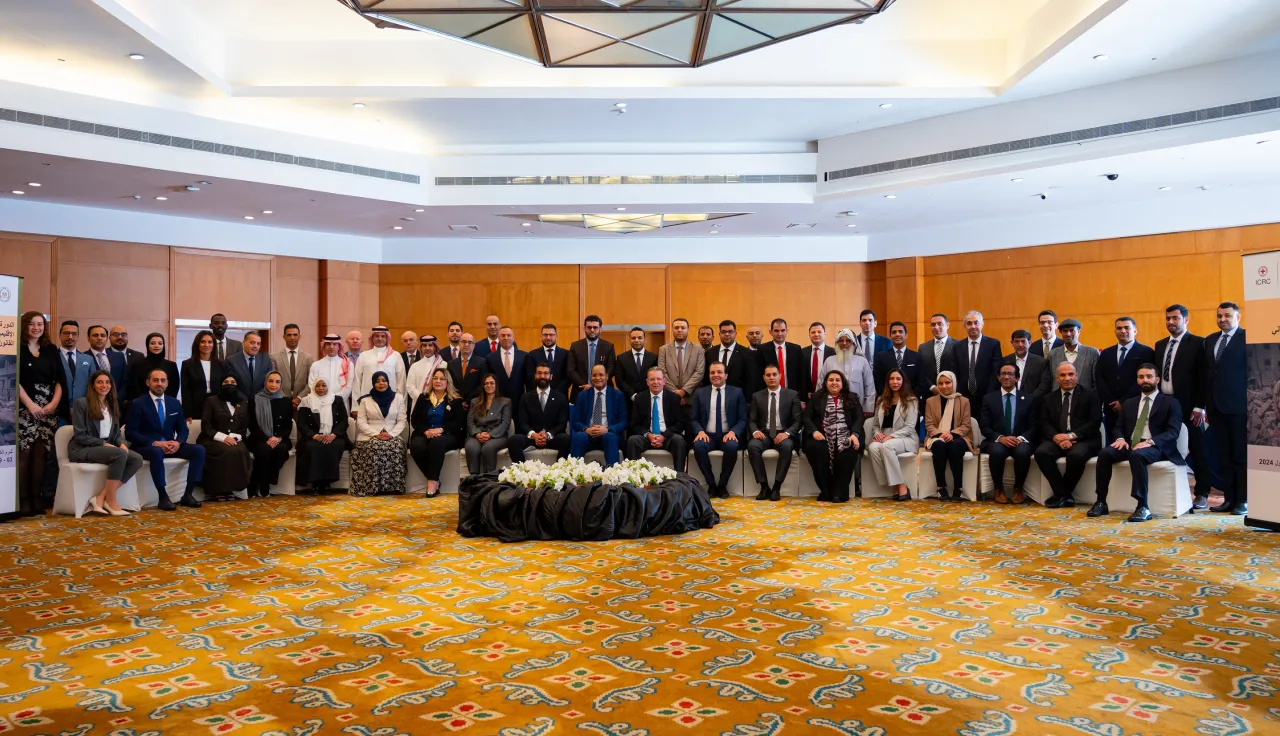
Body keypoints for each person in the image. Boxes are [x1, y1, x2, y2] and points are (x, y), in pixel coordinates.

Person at [1091, 364, 1185, 521]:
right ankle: (1101, 501)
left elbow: (1173, 432)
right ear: (1137, 380)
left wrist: (1150, 441)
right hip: (1131, 444)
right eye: (1141, 377)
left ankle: (1143, 506)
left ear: (1157, 379)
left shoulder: (1171, 403)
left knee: (1137, 455)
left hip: (1157, 447)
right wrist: (1120, 439)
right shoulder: (1129, 403)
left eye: (1149, 376)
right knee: (1105, 453)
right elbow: (1118, 427)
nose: (1145, 380)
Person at [1154, 304, 1213, 510]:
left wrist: (1199, 406)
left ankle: (1202, 492)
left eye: (1175, 318)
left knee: (1198, 448)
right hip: (1165, 403)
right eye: (1168, 318)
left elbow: (1204, 378)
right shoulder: (1160, 345)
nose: (1171, 322)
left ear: (1186, 320)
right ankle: (1165, 490)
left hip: (1190, 405)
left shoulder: (1198, 343)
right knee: (1162, 444)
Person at [125, 367, 205, 510]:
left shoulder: (174, 403)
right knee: (156, 452)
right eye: (155, 380)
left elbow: (183, 429)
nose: (159, 384)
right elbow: (130, 433)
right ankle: (162, 496)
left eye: (162, 380)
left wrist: (178, 443)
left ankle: (188, 495)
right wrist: (155, 443)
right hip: (147, 446)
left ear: (167, 383)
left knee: (199, 450)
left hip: (170, 445)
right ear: (148, 382)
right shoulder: (137, 404)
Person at [68, 370, 144, 516]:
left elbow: (115, 434)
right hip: (83, 448)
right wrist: (104, 444)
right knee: (119, 454)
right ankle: (112, 501)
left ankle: (101, 496)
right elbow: (80, 435)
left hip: (106, 447)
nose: (104, 385)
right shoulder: (82, 403)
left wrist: (120, 443)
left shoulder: (112, 404)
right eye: (100, 382)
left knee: (136, 459)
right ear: (93, 385)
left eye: (108, 382)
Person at [1035, 362, 1103, 508]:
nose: (1067, 378)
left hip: (1085, 439)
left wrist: (1071, 436)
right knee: (1041, 453)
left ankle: (1062, 495)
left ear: (1076, 376)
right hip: (1057, 438)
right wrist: (1057, 438)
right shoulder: (1048, 398)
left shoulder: (1091, 395)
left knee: (1076, 456)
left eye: (1071, 374)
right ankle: (1064, 494)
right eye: (1063, 375)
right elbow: (1043, 423)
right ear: (1057, 379)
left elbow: (1094, 422)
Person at [1205, 302, 1247, 515]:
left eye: (1227, 315)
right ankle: (1228, 499)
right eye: (1219, 315)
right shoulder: (1211, 340)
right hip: (1216, 408)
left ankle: (1242, 500)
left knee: (1240, 456)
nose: (1222, 319)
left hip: (1240, 408)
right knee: (1223, 456)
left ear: (1238, 317)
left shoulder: (1247, 338)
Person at [802, 370, 865, 503]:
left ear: (843, 383)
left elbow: (859, 418)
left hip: (847, 435)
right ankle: (826, 491)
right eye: (831, 380)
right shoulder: (817, 397)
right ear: (826, 382)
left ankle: (838, 493)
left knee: (848, 452)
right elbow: (807, 418)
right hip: (821, 435)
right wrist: (814, 432)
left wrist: (854, 434)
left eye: (837, 380)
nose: (834, 383)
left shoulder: (852, 397)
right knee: (817, 451)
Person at [978, 363, 1036, 504]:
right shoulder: (989, 399)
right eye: (1003, 374)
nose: (1006, 377)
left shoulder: (1029, 399)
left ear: (1017, 379)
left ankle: (1018, 489)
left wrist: (1021, 438)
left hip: (1020, 440)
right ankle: (999, 489)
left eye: (1010, 374)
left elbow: (1035, 425)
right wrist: (1000, 438)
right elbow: (984, 426)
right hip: (998, 440)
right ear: (998, 377)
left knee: (1023, 452)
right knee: (997, 452)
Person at [691, 362, 746, 497]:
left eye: (719, 372)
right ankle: (711, 484)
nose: (716, 375)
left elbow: (743, 419)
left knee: (732, 446)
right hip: (707, 435)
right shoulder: (700, 393)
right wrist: (700, 431)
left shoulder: (737, 392)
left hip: (728, 434)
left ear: (726, 375)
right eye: (712, 372)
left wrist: (734, 432)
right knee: (698, 447)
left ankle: (722, 485)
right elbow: (693, 418)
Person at [746, 364, 801, 501]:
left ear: (780, 376)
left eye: (774, 374)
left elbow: (797, 421)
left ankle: (777, 486)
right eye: (768, 375)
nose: (771, 377)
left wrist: (787, 433)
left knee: (788, 446)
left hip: (783, 433)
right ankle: (764, 486)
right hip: (763, 434)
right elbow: (751, 420)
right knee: (753, 446)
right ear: (764, 378)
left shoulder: (792, 395)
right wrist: (755, 431)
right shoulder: (757, 396)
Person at [409, 367, 466, 497]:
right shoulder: (423, 398)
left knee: (437, 443)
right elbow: (414, 419)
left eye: (442, 378)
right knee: (417, 446)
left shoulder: (455, 400)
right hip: (425, 433)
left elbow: (459, 422)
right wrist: (426, 431)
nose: (438, 381)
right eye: (435, 378)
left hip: (448, 435)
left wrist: (441, 429)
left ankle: (432, 482)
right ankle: (434, 478)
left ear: (448, 381)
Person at [351, 371, 408, 497]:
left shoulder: (398, 398)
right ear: (373, 383)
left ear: (388, 382)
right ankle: (373, 486)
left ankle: (394, 486)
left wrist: (391, 434)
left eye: (384, 380)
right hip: (370, 435)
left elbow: (402, 420)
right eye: (377, 381)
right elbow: (360, 422)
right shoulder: (365, 400)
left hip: (392, 433)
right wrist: (376, 434)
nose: (381, 383)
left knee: (396, 446)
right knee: (375, 446)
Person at [1096, 317, 1156, 436]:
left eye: (1127, 327)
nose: (1123, 331)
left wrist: (1123, 402)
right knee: (1114, 443)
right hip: (1110, 408)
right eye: (1119, 328)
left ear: (1135, 330)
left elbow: (1146, 380)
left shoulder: (1146, 352)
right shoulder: (1106, 353)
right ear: (1115, 331)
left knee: (1134, 440)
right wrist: (1111, 401)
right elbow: (1099, 378)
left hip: (1136, 405)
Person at [867, 368, 920, 501]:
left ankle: (901, 486)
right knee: (873, 447)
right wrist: (878, 433)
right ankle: (895, 484)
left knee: (887, 446)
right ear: (887, 382)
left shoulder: (911, 400)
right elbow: (875, 425)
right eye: (892, 379)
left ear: (903, 381)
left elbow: (910, 427)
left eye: (898, 379)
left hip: (905, 437)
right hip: (884, 436)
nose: (894, 382)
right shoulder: (881, 400)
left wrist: (891, 436)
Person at [198, 375, 252, 501]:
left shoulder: (243, 402)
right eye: (226, 381)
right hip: (211, 439)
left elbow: (244, 428)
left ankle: (234, 487)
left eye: (233, 382)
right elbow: (206, 426)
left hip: (235, 439)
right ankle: (218, 490)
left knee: (241, 451)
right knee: (227, 451)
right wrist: (223, 438)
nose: (229, 384)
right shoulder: (211, 401)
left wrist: (234, 437)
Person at [923, 371, 974, 501]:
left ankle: (958, 488)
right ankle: (941, 487)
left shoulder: (964, 401)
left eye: (947, 382)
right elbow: (929, 425)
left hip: (959, 437)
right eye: (940, 383)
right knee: (939, 445)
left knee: (954, 446)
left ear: (953, 383)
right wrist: (941, 435)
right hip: (936, 436)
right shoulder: (930, 401)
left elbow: (966, 424)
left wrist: (952, 434)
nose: (944, 386)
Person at [626, 367, 688, 472]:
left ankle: (680, 478)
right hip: (647, 437)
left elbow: (680, 423)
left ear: (664, 381)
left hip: (668, 436)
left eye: (659, 379)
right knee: (632, 441)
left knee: (679, 441)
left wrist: (664, 436)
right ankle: (635, 478)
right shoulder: (640, 398)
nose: (656, 382)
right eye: (652, 379)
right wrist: (649, 435)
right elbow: (635, 424)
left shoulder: (674, 398)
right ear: (647, 382)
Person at [508, 363, 572, 463]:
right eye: (539, 373)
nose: (542, 376)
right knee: (513, 440)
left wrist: (547, 435)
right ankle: (522, 471)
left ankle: (560, 470)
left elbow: (562, 423)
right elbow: (522, 423)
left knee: (566, 439)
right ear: (535, 376)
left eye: (546, 373)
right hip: (532, 438)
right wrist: (534, 435)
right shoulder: (526, 397)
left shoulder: (561, 397)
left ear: (551, 376)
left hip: (552, 437)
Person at [296, 377, 349, 493]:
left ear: (328, 387)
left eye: (324, 385)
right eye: (318, 385)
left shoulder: (337, 400)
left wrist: (334, 435)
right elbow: (302, 423)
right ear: (313, 387)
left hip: (334, 435)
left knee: (333, 446)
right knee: (313, 447)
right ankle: (315, 483)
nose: (321, 388)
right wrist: (314, 436)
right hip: (313, 436)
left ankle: (326, 483)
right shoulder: (306, 400)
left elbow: (344, 421)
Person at [246, 371, 293, 498]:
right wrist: (266, 438)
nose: (274, 385)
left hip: (280, 438)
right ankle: (264, 486)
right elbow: (252, 424)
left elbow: (288, 425)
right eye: (270, 381)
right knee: (264, 450)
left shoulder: (286, 401)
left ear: (281, 384)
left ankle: (258, 482)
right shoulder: (254, 399)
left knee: (281, 450)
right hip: (258, 437)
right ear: (265, 381)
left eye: (277, 382)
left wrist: (278, 438)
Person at [571, 364, 628, 467]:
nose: (598, 378)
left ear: (607, 376)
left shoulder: (618, 395)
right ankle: (575, 474)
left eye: (601, 375)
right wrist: (585, 429)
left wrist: (607, 429)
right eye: (594, 375)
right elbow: (575, 422)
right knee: (578, 436)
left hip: (609, 434)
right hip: (588, 434)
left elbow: (623, 422)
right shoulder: (583, 395)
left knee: (610, 437)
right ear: (591, 377)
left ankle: (612, 475)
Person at [953, 310, 1003, 406]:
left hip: (987, 396)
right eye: (969, 323)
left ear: (982, 324)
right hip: (962, 397)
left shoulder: (993, 344)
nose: (973, 326)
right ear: (964, 326)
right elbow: (955, 371)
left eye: (976, 323)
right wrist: (958, 393)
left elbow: (996, 371)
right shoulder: (957, 347)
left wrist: (989, 394)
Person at [822, 329, 875, 416]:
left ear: (853, 343)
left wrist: (868, 408)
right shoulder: (829, 361)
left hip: (857, 407)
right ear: (837, 343)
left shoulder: (862, 361)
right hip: (832, 408)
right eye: (841, 340)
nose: (844, 343)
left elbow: (869, 386)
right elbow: (821, 384)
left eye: (848, 340)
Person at [465, 374, 511, 475]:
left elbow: (505, 424)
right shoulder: (475, 401)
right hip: (477, 435)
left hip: (497, 436)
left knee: (488, 448)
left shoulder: (505, 402)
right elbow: (470, 422)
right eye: (486, 383)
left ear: (496, 385)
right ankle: (474, 478)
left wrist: (490, 435)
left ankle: (489, 478)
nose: (488, 385)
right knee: (471, 447)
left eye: (491, 383)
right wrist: (477, 434)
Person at [658, 318, 705, 413]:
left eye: (683, 327)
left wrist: (683, 391)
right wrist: (676, 394)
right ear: (672, 330)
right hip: (670, 398)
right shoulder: (664, 349)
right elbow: (662, 373)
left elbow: (699, 372)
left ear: (688, 329)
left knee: (691, 427)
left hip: (691, 399)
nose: (679, 330)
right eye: (676, 327)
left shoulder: (698, 349)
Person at [180, 330, 226, 423]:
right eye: (203, 342)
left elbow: (223, 388)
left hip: (217, 405)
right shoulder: (187, 364)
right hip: (196, 405)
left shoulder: (221, 364)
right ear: (197, 344)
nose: (206, 345)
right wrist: (187, 413)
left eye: (210, 342)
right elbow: (185, 390)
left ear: (214, 345)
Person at [568, 315, 616, 401]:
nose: (592, 330)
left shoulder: (608, 347)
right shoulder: (575, 346)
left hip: (604, 390)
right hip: (581, 390)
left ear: (600, 328)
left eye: (595, 327)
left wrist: (596, 384)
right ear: (584, 328)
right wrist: (586, 385)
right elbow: (571, 370)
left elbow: (611, 368)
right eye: (589, 327)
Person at [56, 320, 95, 423]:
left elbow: (93, 386)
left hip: (83, 410)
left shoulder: (88, 359)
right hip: (57, 411)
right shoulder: (53, 357)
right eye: (66, 333)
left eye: (74, 334)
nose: (70, 337)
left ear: (78, 336)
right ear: (60, 335)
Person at [126, 333, 180, 404]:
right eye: (153, 343)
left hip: (165, 403)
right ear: (147, 345)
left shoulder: (171, 365)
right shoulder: (137, 365)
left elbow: (174, 387)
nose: (156, 346)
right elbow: (134, 387)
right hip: (142, 403)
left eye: (160, 343)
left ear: (163, 346)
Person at [1047, 319, 1100, 391]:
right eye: (1065, 331)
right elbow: (1049, 381)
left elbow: (1097, 381)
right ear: (1061, 333)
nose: (1068, 334)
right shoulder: (1052, 354)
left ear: (1079, 331)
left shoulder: (1092, 353)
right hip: (1059, 400)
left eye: (1072, 330)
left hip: (1085, 400)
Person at [353, 326, 404, 397]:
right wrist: (357, 403)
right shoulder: (364, 356)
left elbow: (401, 380)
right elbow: (357, 381)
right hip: (367, 399)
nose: (380, 339)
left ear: (387, 339)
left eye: (383, 336)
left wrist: (399, 400)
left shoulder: (395, 355)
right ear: (372, 338)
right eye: (377, 336)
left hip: (390, 399)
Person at [873, 322, 920, 396]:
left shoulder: (917, 357)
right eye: (894, 332)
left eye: (900, 332)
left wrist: (911, 397)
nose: (897, 334)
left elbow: (920, 381)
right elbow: (878, 381)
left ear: (906, 335)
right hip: (888, 400)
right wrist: (887, 396)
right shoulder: (880, 357)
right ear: (890, 336)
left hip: (911, 400)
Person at [917, 313, 958, 398]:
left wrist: (947, 386)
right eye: (933, 325)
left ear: (947, 325)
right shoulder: (923, 348)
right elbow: (921, 371)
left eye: (940, 324)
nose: (936, 327)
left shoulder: (958, 345)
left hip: (952, 393)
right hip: (929, 394)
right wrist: (932, 387)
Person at [273, 324, 313, 408]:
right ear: (284, 337)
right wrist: (286, 400)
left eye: (295, 335)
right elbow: (272, 381)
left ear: (299, 336)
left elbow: (311, 382)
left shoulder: (308, 358)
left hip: (302, 403)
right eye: (289, 335)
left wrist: (299, 398)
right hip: (281, 402)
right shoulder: (274, 357)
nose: (292, 338)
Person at [309, 334, 355, 407]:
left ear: (339, 346)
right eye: (328, 344)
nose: (331, 347)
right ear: (324, 346)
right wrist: (324, 400)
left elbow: (349, 387)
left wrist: (337, 400)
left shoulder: (348, 364)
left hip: (341, 404)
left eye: (334, 344)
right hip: (321, 404)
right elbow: (312, 386)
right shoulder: (316, 365)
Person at [614, 327, 658, 402]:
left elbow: (655, 378)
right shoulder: (621, 358)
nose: (636, 340)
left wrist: (644, 395)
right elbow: (619, 380)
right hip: (628, 400)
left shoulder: (654, 358)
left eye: (640, 338)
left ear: (645, 340)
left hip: (648, 399)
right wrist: (632, 395)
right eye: (633, 338)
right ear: (629, 340)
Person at [704, 320, 750, 392]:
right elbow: (706, 377)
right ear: (719, 334)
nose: (727, 334)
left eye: (730, 331)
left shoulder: (746, 353)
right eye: (723, 332)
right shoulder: (709, 353)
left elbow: (749, 378)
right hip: (713, 395)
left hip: (737, 397)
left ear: (735, 333)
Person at [1004, 330, 1052, 399]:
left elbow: (1044, 384)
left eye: (1023, 341)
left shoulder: (1041, 362)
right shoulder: (1005, 361)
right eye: (1017, 341)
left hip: (1033, 403)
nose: (1020, 345)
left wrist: (1030, 399)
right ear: (1012, 343)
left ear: (1029, 343)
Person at [760, 318, 803, 394]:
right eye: (776, 331)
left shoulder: (796, 349)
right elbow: (759, 374)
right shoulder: (762, 349)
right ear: (771, 332)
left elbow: (802, 374)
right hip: (769, 394)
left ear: (787, 331)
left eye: (782, 330)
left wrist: (802, 397)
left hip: (792, 394)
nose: (780, 334)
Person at [527, 324, 571, 396]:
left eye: (551, 335)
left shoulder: (566, 354)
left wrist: (555, 393)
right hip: (539, 395)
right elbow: (530, 376)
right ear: (541, 337)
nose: (548, 337)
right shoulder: (532, 354)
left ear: (556, 336)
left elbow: (568, 377)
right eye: (545, 335)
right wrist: (542, 391)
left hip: (560, 396)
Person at [225, 331, 272, 398]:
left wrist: (259, 397)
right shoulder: (231, 361)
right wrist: (244, 400)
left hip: (261, 401)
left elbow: (269, 382)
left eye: (258, 344)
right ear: (243, 343)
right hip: (240, 402)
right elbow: (231, 385)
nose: (256, 346)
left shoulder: (266, 359)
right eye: (252, 342)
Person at [485, 327, 528, 402]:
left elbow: (528, 380)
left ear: (513, 338)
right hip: (498, 401)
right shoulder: (490, 358)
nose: (506, 338)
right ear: (498, 338)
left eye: (509, 335)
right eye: (503, 335)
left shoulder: (524, 356)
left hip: (519, 400)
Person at [405, 334, 447, 404]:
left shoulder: (443, 364)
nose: (427, 348)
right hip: (419, 403)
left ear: (435, 347)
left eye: (430, 345)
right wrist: (421, 398)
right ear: (421, 348)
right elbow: (410, 386)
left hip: (439, 403)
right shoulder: (415, 366)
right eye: (424, 346)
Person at [802, 322, 836, 400]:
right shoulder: (802, 352)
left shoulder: (833, 353)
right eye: (813, 332)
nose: (816, 334)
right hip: (807, 396)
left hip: (828, 394)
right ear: (809, 335)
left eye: (819, 332)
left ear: (825, 334)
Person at [107, 325, 143, 389]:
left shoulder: (139, 356)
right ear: (109, 338)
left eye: (123, 334)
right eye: (116, 334)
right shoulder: (104, 355)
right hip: (111, 394)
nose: (120, 337)